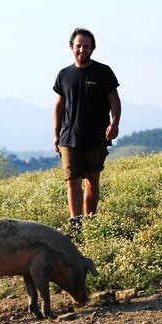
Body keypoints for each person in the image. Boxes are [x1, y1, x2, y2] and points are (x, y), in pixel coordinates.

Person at [53, 27, 121, 234]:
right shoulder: (64, 75)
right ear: (71, 47)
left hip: (96, 137)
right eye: (78, 46)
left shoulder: (103, 72)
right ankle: (76, 223)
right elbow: (59, 105)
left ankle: (90, 220)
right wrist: (56, 133)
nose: (82, 50)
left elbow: (114, 100)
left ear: (93, 48)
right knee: (72, 181)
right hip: (69, 137)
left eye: (86, 46)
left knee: (92, 180)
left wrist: (115, 122)